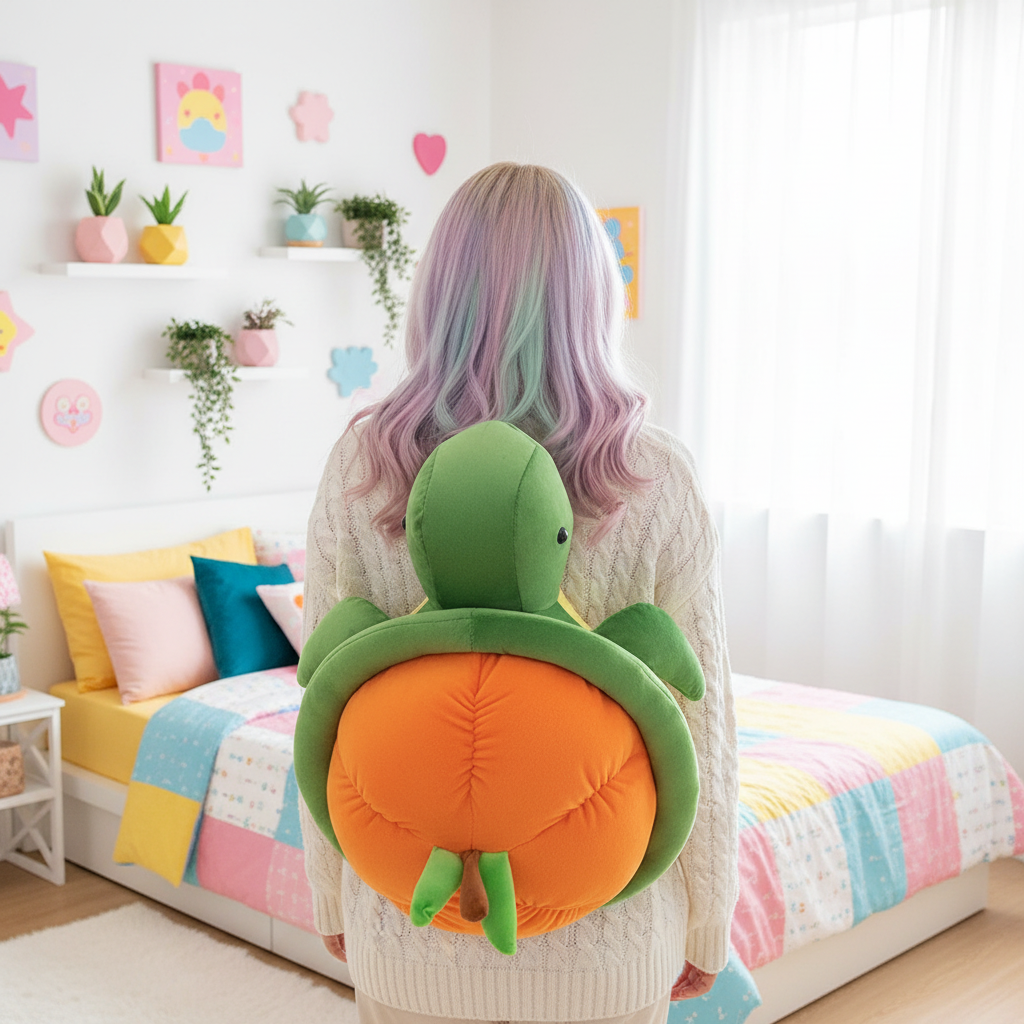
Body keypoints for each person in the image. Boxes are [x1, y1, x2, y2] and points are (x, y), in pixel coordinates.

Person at [299, 162, 738, 1024]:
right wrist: (706, 918)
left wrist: (330, 891)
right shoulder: (656, 476)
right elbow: (701, 717)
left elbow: (325, 691)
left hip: (411, 921)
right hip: (607, 943)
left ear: (437, 296)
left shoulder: (364, 468)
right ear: (593, 298)